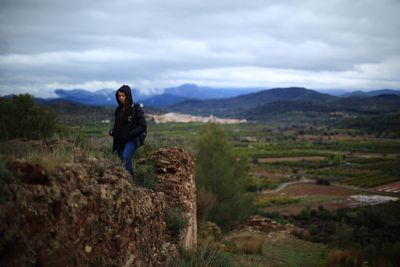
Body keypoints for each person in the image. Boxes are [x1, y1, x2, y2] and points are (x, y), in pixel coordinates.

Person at [109, 85, 147, 179]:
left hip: (132, 140)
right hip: (119, 141)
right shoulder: (118, 110)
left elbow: (142, 126)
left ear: (128, 96)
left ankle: (130, 181)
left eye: (123, 95)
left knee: (125, 157)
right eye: (119, 96)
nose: (121, 98)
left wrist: (130, 133)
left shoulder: (136, 109)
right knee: (123, 160)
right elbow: (118, 126)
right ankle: (128, 182)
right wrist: (113, 131)